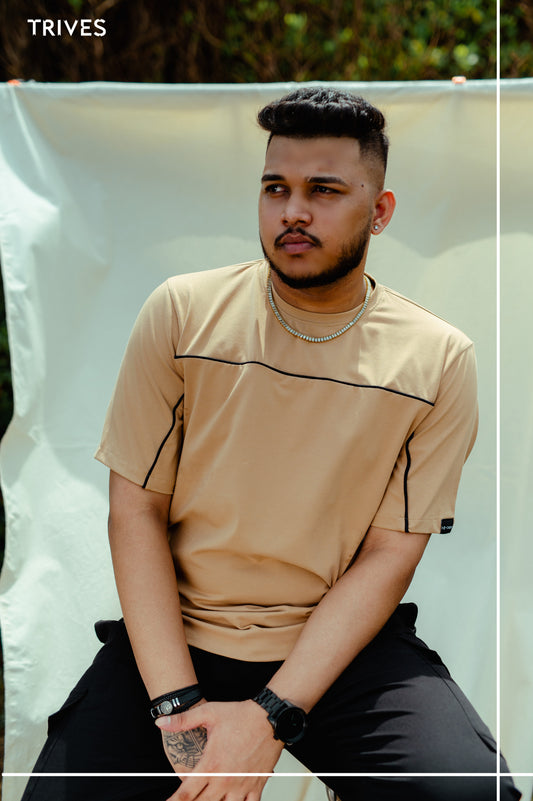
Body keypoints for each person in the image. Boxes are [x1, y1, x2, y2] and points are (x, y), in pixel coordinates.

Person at [22, 87, 520, 801]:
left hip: (338, 648)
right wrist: (175, 710)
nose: (293, 211)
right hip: (179, 638)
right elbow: (134, 511)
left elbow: (390, 554)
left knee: (472, 794)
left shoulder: (436, 359)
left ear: (379, 211)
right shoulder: (182, 314)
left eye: (324, 191)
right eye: (275, 188)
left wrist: (271, 716)